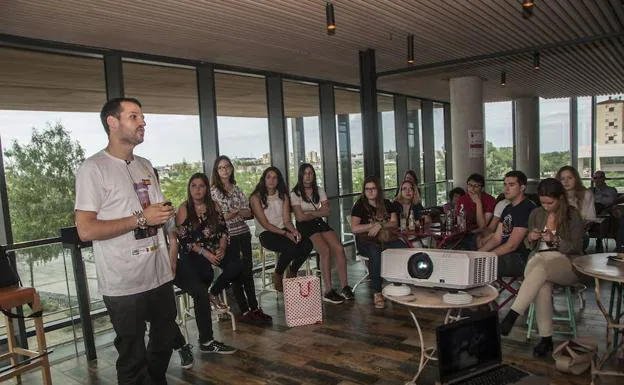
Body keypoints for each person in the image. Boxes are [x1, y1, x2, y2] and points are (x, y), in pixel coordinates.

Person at [75, 98, 178, 385]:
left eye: (142, 117)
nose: (143, 122)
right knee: (132, 356)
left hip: (158, 274)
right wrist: (139, 219)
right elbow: (85, 230)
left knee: (166, 337)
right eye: (134, 116)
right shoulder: (93, 169)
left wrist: (169, 219)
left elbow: (156, 213)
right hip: (123, 282)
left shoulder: (145, 165)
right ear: (112, 122)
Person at [499, 178, 585, 358]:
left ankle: (513, 314)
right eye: (542, 202)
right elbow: (529, 245)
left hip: (566, 264)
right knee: (542, 282)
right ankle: (546, 339)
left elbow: (577, 247)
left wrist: (556, 241)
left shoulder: (572, 215)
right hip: (539, 264)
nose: (546, 206)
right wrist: (531, 238)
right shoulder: (537, 214)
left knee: (541, 265)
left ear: (560, 198)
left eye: (550, 202)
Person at [169, 173, 240, 368]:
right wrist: (207, 254)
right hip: (190, 258)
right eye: (194, 186)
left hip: (210, 256)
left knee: (234, 266)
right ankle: (207, 340)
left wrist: (222, 248)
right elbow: (184, 240)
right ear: (189, 188)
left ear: (207, 188)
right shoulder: (184, 209)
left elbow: (224, 231)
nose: (198, 189)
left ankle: (212, 294)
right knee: (200, 288)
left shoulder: (214, 207)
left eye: (201, 186)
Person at [210, 156, 272, 325]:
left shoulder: (236, 188)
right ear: (216, 171)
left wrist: (235, 212)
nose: (224, 170)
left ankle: (254, 308)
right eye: (221, 168)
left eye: (227, 167)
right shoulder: (214, 192)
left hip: (243, 234)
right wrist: (236, 212)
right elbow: (220, 218)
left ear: (231, 169)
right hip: (228, 237)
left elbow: (248, 213)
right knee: (237, 274)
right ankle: (244, 311)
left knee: (248, 272)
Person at [290, 163, 353, 304]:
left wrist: (310, 213)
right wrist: (317, 213)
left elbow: (327, 211)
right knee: (324, 250)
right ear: (301, 175)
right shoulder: (295, 193)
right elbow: (299, 217)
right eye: (305, 173)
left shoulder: (319, 190)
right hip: (304, 226)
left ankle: (345, 286)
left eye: (311, 173)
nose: (308, 176)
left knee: (339, 248)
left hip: (318, 222)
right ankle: (328, 290)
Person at [250, 166, 313, 291]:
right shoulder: (255, 198)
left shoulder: (283, 196)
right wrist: (286, 234)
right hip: (266, 233)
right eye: (268, 177)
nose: (271, 180)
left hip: (284, 229)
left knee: (307, 244)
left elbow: (287, 220)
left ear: (279, 180)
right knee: (291, 247)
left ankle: (292, 271)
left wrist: (294, 231)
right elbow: (265, 224)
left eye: (275, 177)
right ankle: (278, 274)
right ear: (264, 179)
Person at [350, 176, 407, 309]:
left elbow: (394, 223)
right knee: (375, 253)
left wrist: (380, 225)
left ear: (378, 190)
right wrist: (371, 226)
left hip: (385, 238)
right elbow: (354, 228)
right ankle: (377, 291)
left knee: (403, 248)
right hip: (366, 241)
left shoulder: (387, 204)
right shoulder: (359, 206)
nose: (370, 192)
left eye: (373, 189)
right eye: (367, 189)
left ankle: (400, 282)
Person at [479, 171, 536, 278]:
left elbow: (512, 246)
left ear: (522, 187)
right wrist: (478, 254)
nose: (506, 188)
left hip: (521, 258)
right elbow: (496, 238)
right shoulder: (507, 208)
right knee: (473, 256)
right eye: (505, 184)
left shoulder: (527, 208)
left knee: (480, 264)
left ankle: (485, 292)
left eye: (511, 185)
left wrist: (485, 257)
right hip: (507, 254)